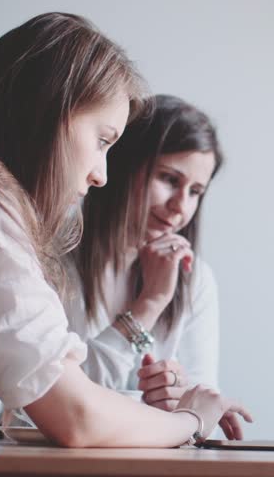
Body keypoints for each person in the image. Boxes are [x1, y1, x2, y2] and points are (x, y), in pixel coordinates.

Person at [0, 12, 249, 447]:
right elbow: (70, 415)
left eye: (196, 191)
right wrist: (191, 420)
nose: (101, 176)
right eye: (102, 141)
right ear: (49, 113)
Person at [66, 95, 231, 422]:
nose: (180, 206)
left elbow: (204, 410)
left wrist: (178, 398)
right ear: (126, 165)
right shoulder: (54, 255)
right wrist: (150, 303)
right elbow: (54, 398)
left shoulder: (194, 277)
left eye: (196, 191)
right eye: (169, 179)